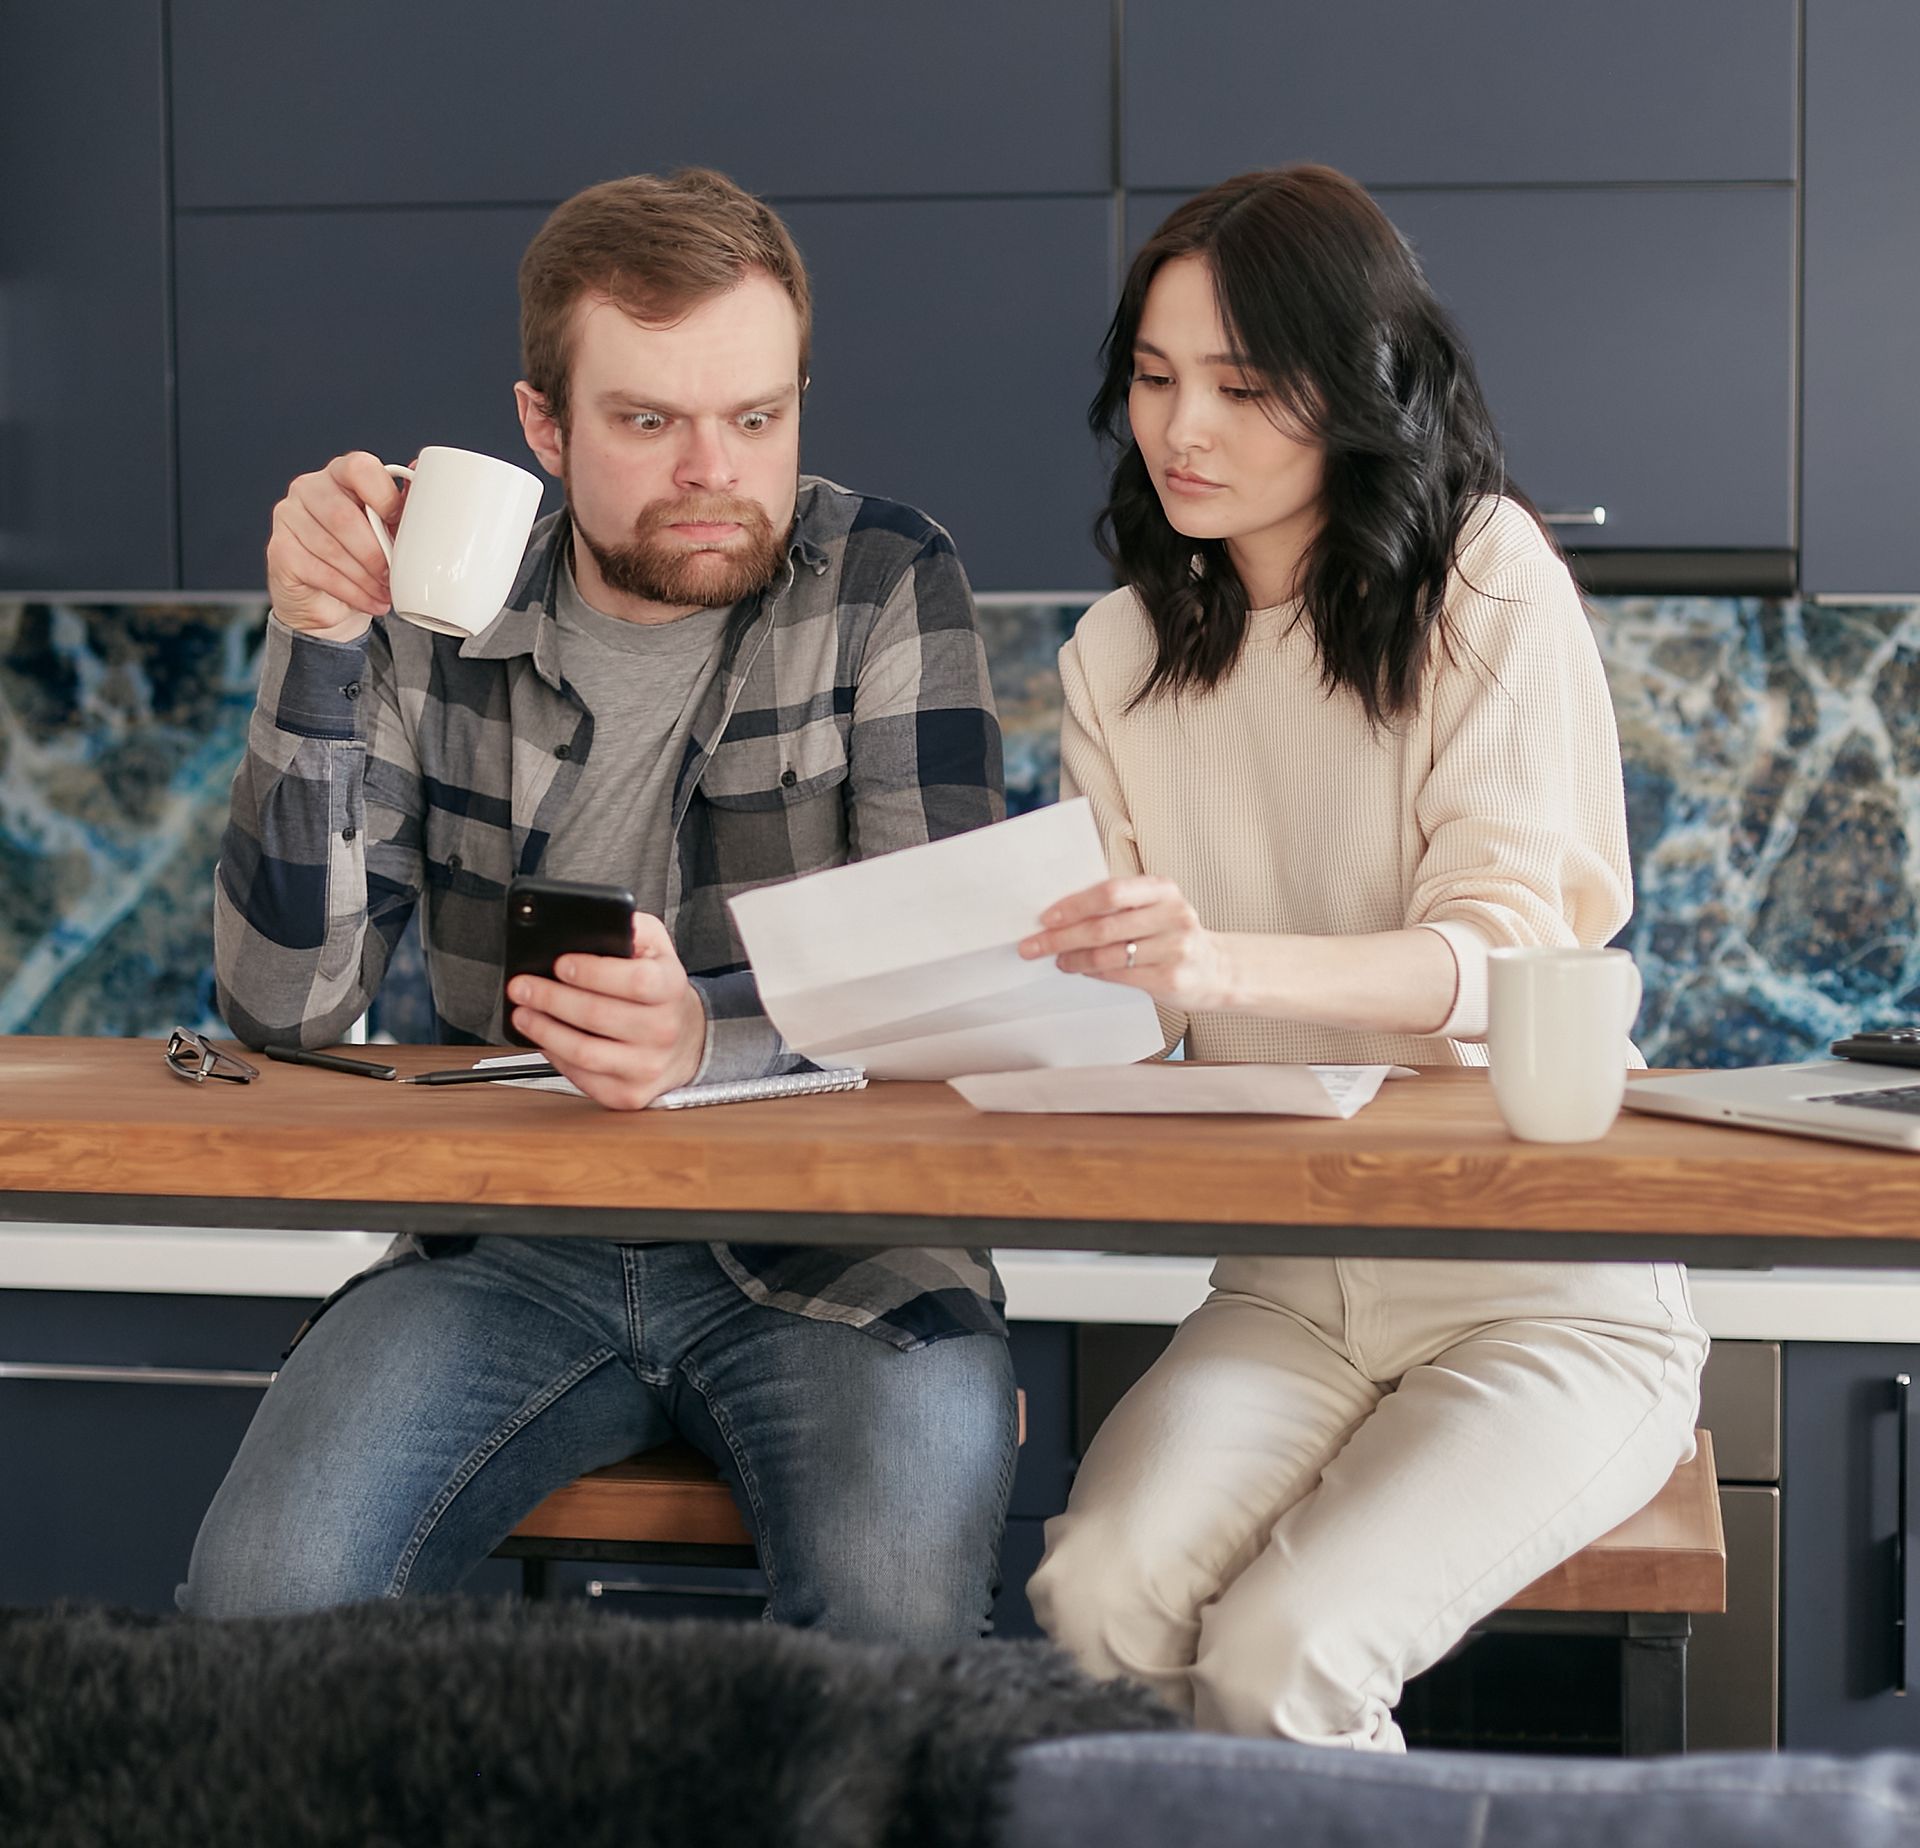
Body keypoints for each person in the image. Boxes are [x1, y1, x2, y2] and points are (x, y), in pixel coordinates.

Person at [185, 169, 1019, 1642]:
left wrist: (715, 1051)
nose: (715, 471)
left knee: (895, 1628)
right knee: (262, 1605)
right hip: (507, 1242)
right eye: (648, 423)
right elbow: (283, 1002)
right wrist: (317, 643)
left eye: (757, 419)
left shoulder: (886, 581)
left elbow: (948, 994)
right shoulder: (428, 609)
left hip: (844, 1245)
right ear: (542, 427)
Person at [1019, 166, 1706, 1748]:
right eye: (1154, 377)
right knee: (1095, 1602)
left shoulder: (1489, 582)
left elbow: (1497, 951)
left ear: (1354, 387)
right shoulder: (1117, 663)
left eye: (1243, 388)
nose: (1183, 429)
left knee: (1287, 1657)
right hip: (1290, 1276)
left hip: (1544, 1285)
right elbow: (1120, 1017)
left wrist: (1215, 976)